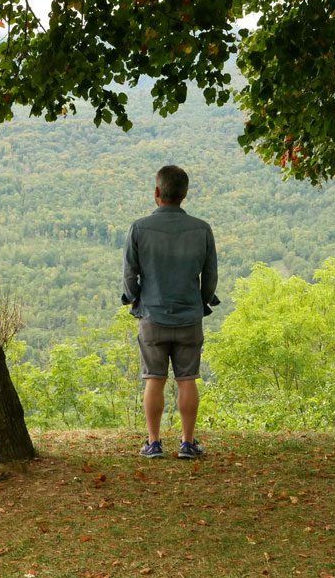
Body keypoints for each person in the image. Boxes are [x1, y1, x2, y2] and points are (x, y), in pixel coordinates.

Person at [121, 165, 217, 459]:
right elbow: (210, 276)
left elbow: (129, 276)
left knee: (154, 379)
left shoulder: (139, 228)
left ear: (157, 193)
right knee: (187, 379)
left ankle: (153, 443)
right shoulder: (202, 229)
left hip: (152, 315)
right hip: (189, 316)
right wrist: (201, 302)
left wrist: (135, 300)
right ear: (184, 194)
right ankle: (188, 444)